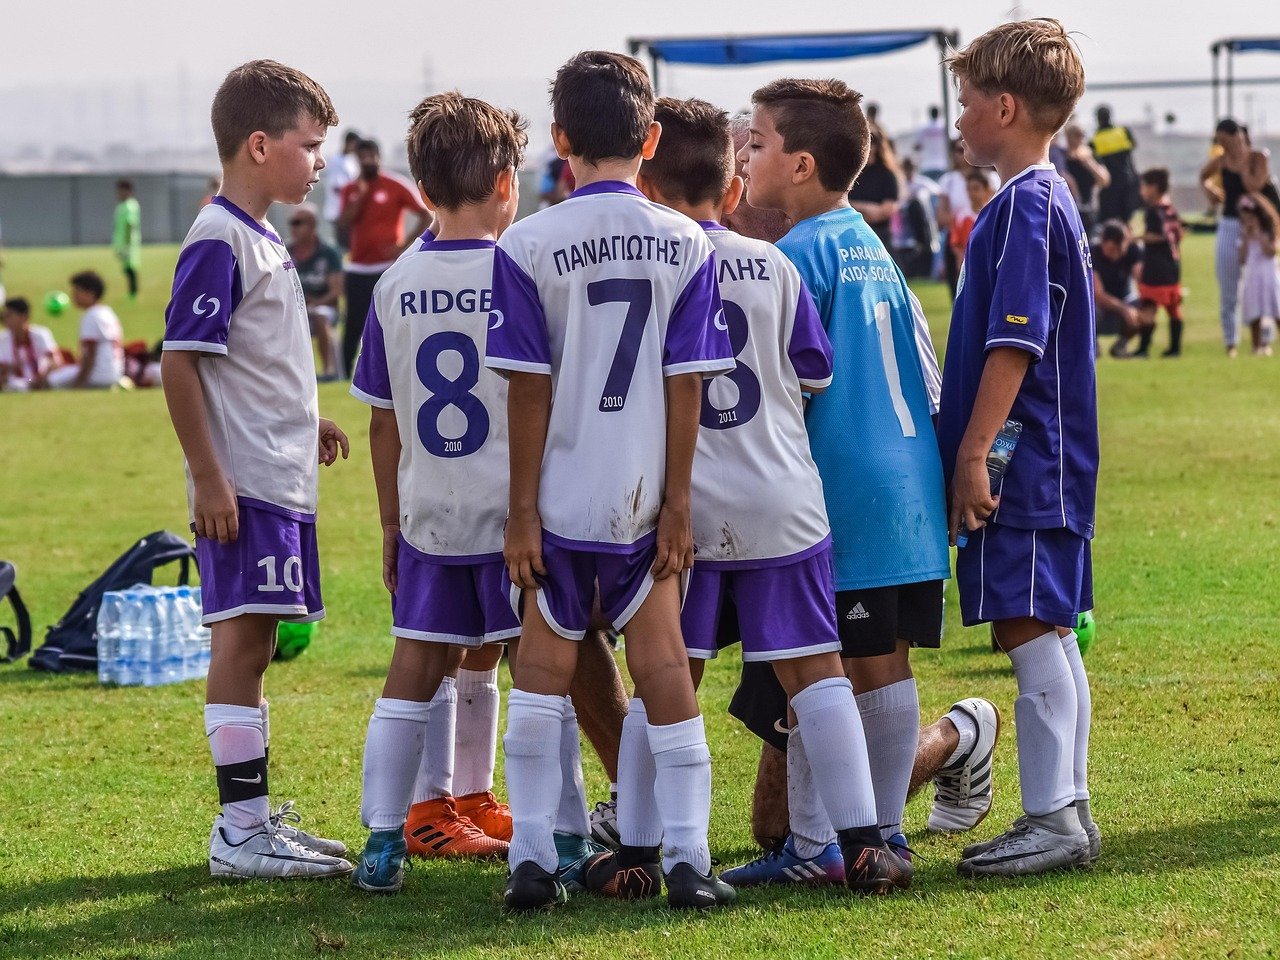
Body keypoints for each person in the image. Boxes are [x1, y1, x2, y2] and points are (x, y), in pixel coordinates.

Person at [739, 74, 1005, 888]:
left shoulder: (795, 257)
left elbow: (786, 386)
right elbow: (924, 374)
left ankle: (821, 848)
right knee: (884, 662)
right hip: (908, 484)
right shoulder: (871, 247)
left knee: (830, 666)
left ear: (801, 164)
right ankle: (878, 836)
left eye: (756, 144)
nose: (744, 157)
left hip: (843, 486)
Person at [486, 51, 735, 912]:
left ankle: (529, 857)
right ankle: (690, 859)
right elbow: (686, 381)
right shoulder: (685, 242)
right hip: (642, 503)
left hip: (557, 503)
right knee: (665, 672)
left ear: (559, 140)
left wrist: (520, 514)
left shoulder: (525, 243)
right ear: (651, 138)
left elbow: (527, 385)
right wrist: (676, 505)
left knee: (543, 674)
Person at [160, 59, 352, 880]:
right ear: (260, 143)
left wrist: (307, 419)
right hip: (245, 484)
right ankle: (239, 831)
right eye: (310, 146)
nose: (319, 162)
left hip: (279, 472)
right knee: (242, 642)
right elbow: (179, 362)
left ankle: (253, 820)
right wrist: (209, 478)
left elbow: (250, 361)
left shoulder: (262, 236)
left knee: (263, 639)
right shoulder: (219, 236)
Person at [347, 93, 529, 893]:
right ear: (503, 182)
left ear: (421, 190)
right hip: (513, 513)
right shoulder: (520, 272)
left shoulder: (394, 282)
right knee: (541, 670)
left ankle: (386, 840)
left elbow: (383, 420)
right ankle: (555, 831)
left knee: (413, 673)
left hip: (430, 515)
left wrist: (390, 520)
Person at [940, 18, 1100, 878]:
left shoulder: (1026, 203)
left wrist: (972, 455)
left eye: (966, 103)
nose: (960, 120)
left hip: (1025, 461)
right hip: (1048, 461)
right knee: (1051, 632)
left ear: (1004, 106)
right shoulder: (1042, 197)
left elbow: (1016, 341)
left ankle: (1051, 818)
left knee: (1028, 628)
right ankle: (1066, 808)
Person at [338, 138, 432, 375]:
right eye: (362, 156)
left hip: (387, 267)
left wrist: (403, 246)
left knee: (393, 321)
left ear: (378, 156)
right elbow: (344, 222)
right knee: (353, 323)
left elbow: (426, 215)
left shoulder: (395, 185)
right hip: (358, 266)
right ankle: (345, 372)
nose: (367, 160)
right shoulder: (351, 188)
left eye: (371, 155)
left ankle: (397, 369)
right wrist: (360, 196)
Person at [1200, 118, 1278, 356]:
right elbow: (1203, 176)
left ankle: (1263, 340)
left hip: (1258, 226)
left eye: (1226, 141)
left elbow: (1253, 186)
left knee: (1263, 283)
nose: (1223, 146)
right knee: (1228, 285)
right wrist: (1213, 193)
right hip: (1231, 222)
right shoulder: (1222, 160)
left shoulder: (1258, 157)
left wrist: (1241, 163)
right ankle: (1231, 342)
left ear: (1237, 137)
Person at [286, 203, 344, 379]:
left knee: (320, 315)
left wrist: (315, 303)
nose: (292, 228)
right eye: (291, 223)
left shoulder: (329, 253)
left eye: (298, 223)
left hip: (324, 307)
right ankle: (291, 373)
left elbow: (336, 290)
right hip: (294, 308)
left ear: (312, 225)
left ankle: (328, 371)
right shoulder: (285, 252)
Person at [938, 140, 999, 299]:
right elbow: (941, 214)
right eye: (958, 150)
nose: (962, 153)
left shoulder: (990, 177)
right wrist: (962, 223)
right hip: (960, 236)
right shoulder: (949, 180)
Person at [46, 271, 125, 389]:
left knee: (51, 380)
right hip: (115, 373)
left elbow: (90, 353)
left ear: (90, 293)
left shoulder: (91, 315)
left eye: (77, 291)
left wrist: (79, 382)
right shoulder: (108, 312)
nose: (73, 295)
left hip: (97, 375)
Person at [1136, 168, 1184, 358]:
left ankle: (1143, 349)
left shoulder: (1154, 210)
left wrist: (1137, 238)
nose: (1142, 190)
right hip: (1172, 264)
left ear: (1153, 187)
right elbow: (1177, 233)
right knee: (1173, 308)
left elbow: (1159, 235)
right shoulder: (1169, 207)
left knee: (1148, 306)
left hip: (1156, 266)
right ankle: (1174, 349)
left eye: (1144, 185)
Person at [1091, 220, 1145, 356]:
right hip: (1099, 305)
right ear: (1103, 242)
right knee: (1091, 309)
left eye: (1119, 250)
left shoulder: (1132, 251)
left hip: (1123, 298)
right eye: (1111, 250)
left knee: (1146, 306)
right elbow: (1098, 294)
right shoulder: (1092, 253)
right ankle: (1093, 345)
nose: (1115, 255)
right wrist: (1125, 309)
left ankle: (1121, 346)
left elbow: (1141, 281)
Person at [1238, 195, 1280, 356]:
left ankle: (1268, 343)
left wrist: (1259, 234)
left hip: (1269, 276)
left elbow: (1271, 252)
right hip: (1252, 277)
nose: (1248, 221)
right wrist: (1246, 238)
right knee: (1255, 313)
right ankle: (1256, 346)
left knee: (1276, 310)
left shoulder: (1268, 232)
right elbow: (1241, 259)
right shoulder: (1244, 234)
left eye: (1251, 218)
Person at [848, 129, 901, 246]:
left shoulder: (887, 174)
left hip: (880, 237)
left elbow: (885, 212)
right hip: (853, 235)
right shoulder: (851, 173)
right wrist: (868, 208)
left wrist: (856, 208)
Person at [1091, 105, 1140, 223]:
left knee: (1108, 219)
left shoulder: (1095, 139)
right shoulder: (1123, 131)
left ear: (1097, 119)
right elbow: (1134, 145)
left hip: (1109, 184)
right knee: (1126, 218)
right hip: (1128, 179)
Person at [0, 297, 61, 391]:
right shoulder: (3, 338)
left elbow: (55, 361)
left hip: (42, 379)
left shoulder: (41, 334)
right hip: (17, 383)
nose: (5, 319)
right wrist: (12, 367)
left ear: (24, 316)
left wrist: (42, 376)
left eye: (10, 315)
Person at [895, 158, 939, 278]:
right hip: (903, 224)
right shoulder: (900, 184)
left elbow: (938, 192)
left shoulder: (922, 182)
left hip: (921, 223)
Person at [1064, 122, 1110, 237]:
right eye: (1075, 135)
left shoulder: (1090, 155)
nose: (1079, 139)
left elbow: (1104, 179)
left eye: (1081, 135)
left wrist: (1087, 162)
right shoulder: (1062, 157)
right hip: (1069, 209)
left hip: (1089, 209)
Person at [949, 170, 996, 271]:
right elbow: (956, 243)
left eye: (976, 189)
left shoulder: (993, 214)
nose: (971, 193)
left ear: (987, 190)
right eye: (969, 189)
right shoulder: (961, 216)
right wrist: (962, 260)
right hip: (968, 266)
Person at [323, 130, 361, 245]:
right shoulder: (337, 160)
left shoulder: (351, 161)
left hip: (348, 209)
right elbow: (336, 186)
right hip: (338, 210)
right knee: (343, 242)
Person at [113, 180, 142, 299]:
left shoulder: (130, 205)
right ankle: (131, 292)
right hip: (122, 242)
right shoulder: (121, 205)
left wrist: (126, 243)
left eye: (121, 191)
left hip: (128, 242)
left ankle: (133, 293)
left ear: (128, 191)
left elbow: (130, 224)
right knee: (126, 267)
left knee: (131, 267)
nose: (119, 193)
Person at [916, 105, 950, 181]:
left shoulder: (923, 128)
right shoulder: (944, 127)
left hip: (927, 165)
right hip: (942, 164)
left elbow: (918, 146)